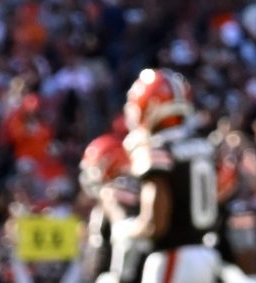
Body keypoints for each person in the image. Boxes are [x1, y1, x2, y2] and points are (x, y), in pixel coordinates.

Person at [121, 71, 224, 283]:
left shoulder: (158, 150)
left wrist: (125, 228)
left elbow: (154, 224)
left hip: (174, 258)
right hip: (206, 255)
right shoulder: (202, 146)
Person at [79, 132, 142, 283]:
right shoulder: (139, 188)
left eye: (93, 168)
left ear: (108, 163)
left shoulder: (112, 194)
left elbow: (125, 237)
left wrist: (120, 277)